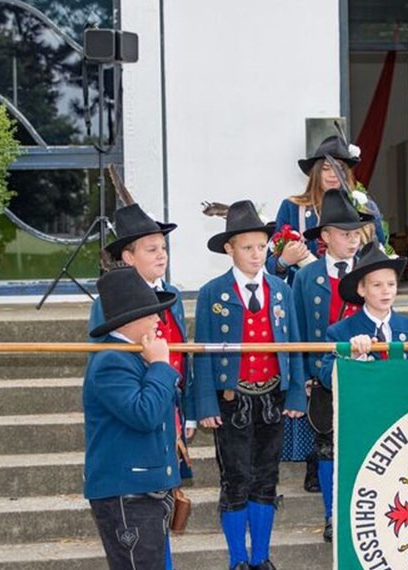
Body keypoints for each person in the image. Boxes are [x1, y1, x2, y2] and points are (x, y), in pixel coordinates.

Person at [191, 201, 306, 570]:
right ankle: (238, 558)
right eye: (247, 247)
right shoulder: (213, 293)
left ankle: (261, 556)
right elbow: (203, 351)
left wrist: (295, 391)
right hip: (231, 399)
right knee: (236, 477)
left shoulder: (281, 290)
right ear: (229, 249)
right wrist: (205, 403)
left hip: (272, 395)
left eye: (262, 247)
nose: (257, 255)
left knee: (266, 477)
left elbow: (294, 343)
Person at [83, 267, 182, 570]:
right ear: (131, 319)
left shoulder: (132, 355)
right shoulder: (111, 360)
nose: (158, 320)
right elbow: (144, 414)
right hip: (127, 493)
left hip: (144, 489)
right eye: (152, 314)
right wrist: (161, 366)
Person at [291, 188, 373, 542]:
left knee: (365, 444)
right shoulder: (307, 277)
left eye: (355, 234)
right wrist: (303, 377)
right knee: (326, 447)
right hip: (322, 375)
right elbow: (295, 330)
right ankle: (331, 514)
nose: (352, 241)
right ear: (325, 237)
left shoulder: (370, 268)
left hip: (368, 372)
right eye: (344, 234)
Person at [268, 134, 386, 283]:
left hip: (354, 292)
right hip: (306, 295)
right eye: (326, 168)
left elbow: (381, 254)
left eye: (339, 169)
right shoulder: (293, 207)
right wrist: (283, 262)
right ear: (316, 172)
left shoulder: (365, 207)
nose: (333, 175)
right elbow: (270, 261)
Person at [319, 241, 408, 382]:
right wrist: (353, 355)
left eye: (391, 284)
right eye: (377, 285)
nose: (386, 291)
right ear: (361, 289)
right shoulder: (340, 331)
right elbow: (327, 379)